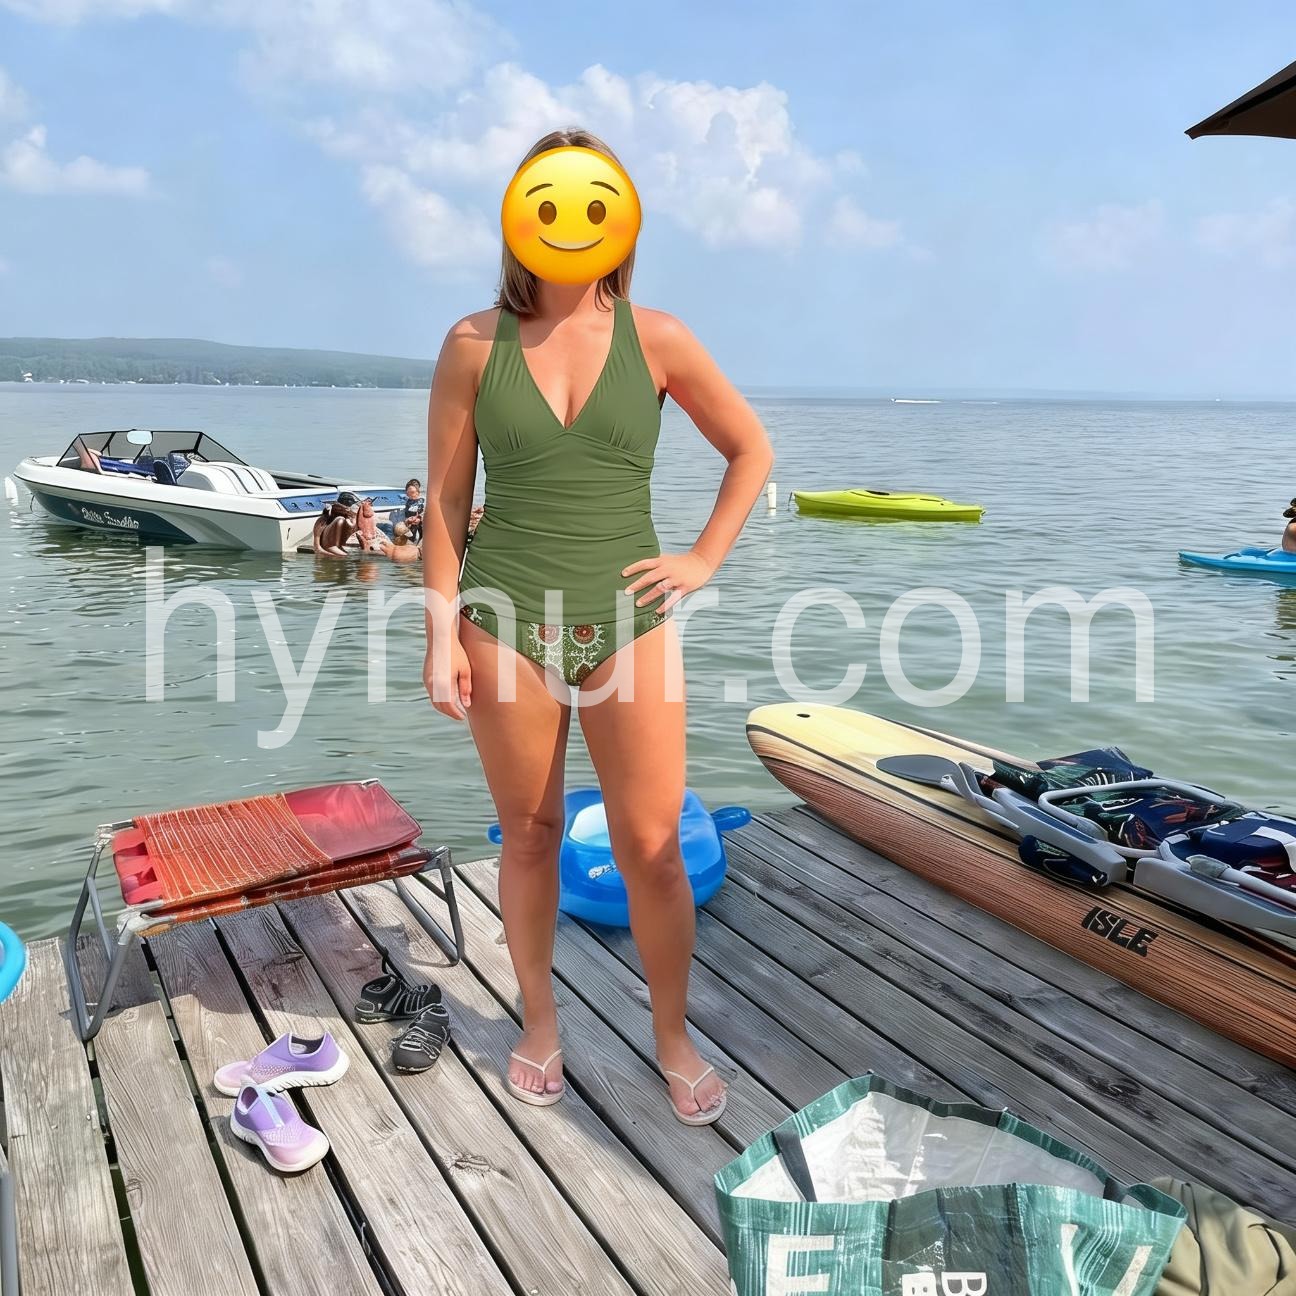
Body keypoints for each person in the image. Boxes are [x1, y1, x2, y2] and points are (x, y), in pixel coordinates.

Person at [422, 128, 773, 1124]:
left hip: (629, 618)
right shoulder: (472, 344)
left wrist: (701, 560)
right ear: (520, 217)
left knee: (653, 846)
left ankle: (672, 1036)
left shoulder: (658, 339)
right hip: (503, 615)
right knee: (530, 836)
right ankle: (539, 1024)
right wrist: (440, 633)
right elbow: (446, 503)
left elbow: (750, 449)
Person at [313, 492, 359, 557]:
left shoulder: (347, 519)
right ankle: (334, 547)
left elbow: (353, 527)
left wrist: (353, 517)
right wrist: (331, 555)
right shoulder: (324, 519)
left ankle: (338, 547)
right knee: (340, 520)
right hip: (328, 547)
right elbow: (317, 548)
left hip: (338, 547)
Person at [393, 478, 426, 542]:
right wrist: (407, 520)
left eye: (413, 492)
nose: (411, 495)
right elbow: (405, 513)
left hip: (419, 524)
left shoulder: (422, 501)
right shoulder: (407, 501)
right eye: (408, 493)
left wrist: (419, 518)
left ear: (418, 492)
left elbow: (426, 513)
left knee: (417, 536)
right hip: (409, 523)